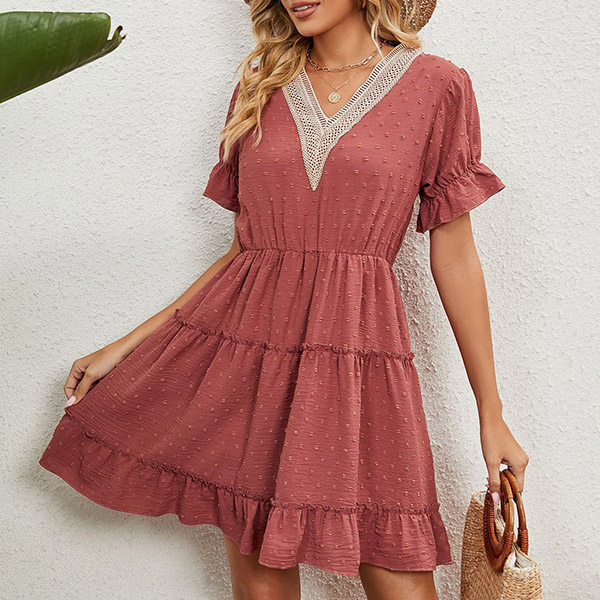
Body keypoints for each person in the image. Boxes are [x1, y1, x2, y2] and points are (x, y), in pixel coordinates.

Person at [39, 1, 530, 598]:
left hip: (361, 365)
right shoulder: (261, 84)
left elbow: (455, 258)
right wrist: (128, 346)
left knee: (400, 575)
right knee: (262, 589)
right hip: (253, 368)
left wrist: (491, 414)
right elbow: (245, 254)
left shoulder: (438, 86)